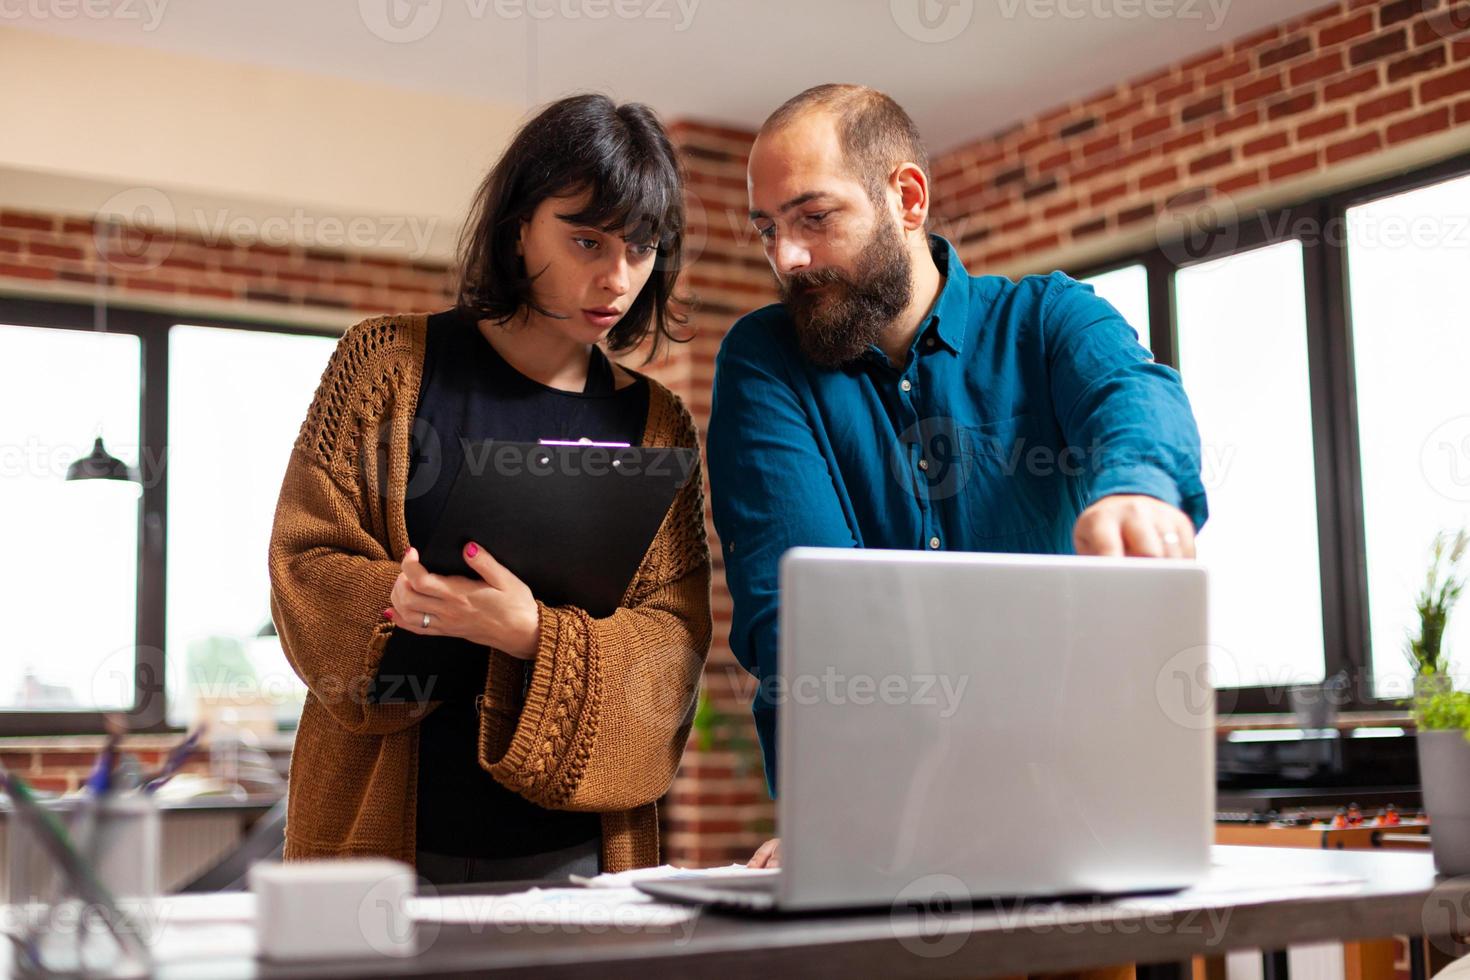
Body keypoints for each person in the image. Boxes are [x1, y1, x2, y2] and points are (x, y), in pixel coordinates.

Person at [706, 85, 1208, 870]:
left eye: (814, 217)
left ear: (906, 199)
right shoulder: (765, 361)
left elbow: (1131, 393)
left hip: (1081, 820)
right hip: (879, 829)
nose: (786, 258)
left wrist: (1137, 484)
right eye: (768, 229)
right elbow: (799, 617)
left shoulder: (1047, 321)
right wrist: (846, 815)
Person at [267, 93, 712, 884]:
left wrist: (532, 636)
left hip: (580, 856)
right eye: (585, 239)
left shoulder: (658, 422)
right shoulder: (385, 365)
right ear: (517, 228)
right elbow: (304, 566)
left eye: (642, 249)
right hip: (382, 850)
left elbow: (673, 650)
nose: (616, 278)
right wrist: (409, 604)